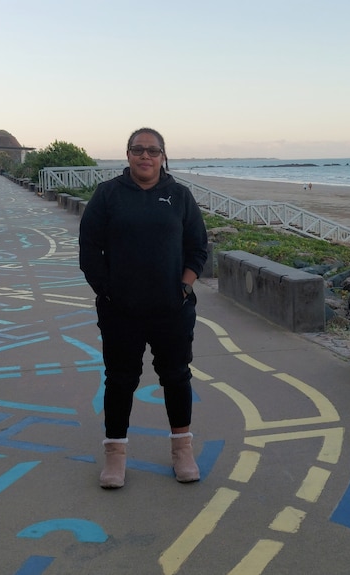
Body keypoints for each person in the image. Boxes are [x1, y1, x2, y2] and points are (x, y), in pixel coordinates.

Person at [79, 127, 208, 489]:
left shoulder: (180, 196)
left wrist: (184, 287)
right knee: (120, 380)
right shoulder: (108, 195)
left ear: (163, 156)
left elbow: (198, 247)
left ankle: (182, 450)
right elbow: (89, 250)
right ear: (128, 155)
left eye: (152, 151)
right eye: (138, 150)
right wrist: (107, 293)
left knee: (176, 377)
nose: (145, 156)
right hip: (121, 312)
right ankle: (115, 455)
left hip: (172, 310)